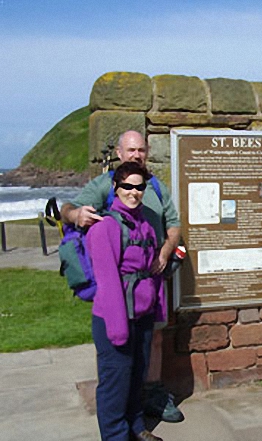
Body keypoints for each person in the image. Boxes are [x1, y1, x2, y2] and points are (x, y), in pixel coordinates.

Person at [61, 130, 184, 423]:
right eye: (130, 150)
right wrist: (75, 215)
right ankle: (118, 415)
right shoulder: (105, 183)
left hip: (151, 279)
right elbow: (67, 208)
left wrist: (165, 252)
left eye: (140, 150)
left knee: (152, 340)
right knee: (118, 352)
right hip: (118, 284)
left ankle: (149, 397)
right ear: (119, 153)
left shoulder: (155, 186)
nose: (136, 155)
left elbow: (174, 225)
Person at [87, 162, 164, 441]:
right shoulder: (105, 228)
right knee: (115, 382)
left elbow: (153, 271)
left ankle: (136, 427)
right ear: (116, 188)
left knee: (135, 378)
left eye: (140, 186)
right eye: (128, 186)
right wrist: (118, 330)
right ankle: (115, 436)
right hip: (114, 319)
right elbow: (107, 283)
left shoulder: (145, 223)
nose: (134, 192)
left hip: (141, 315)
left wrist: (156, 307)